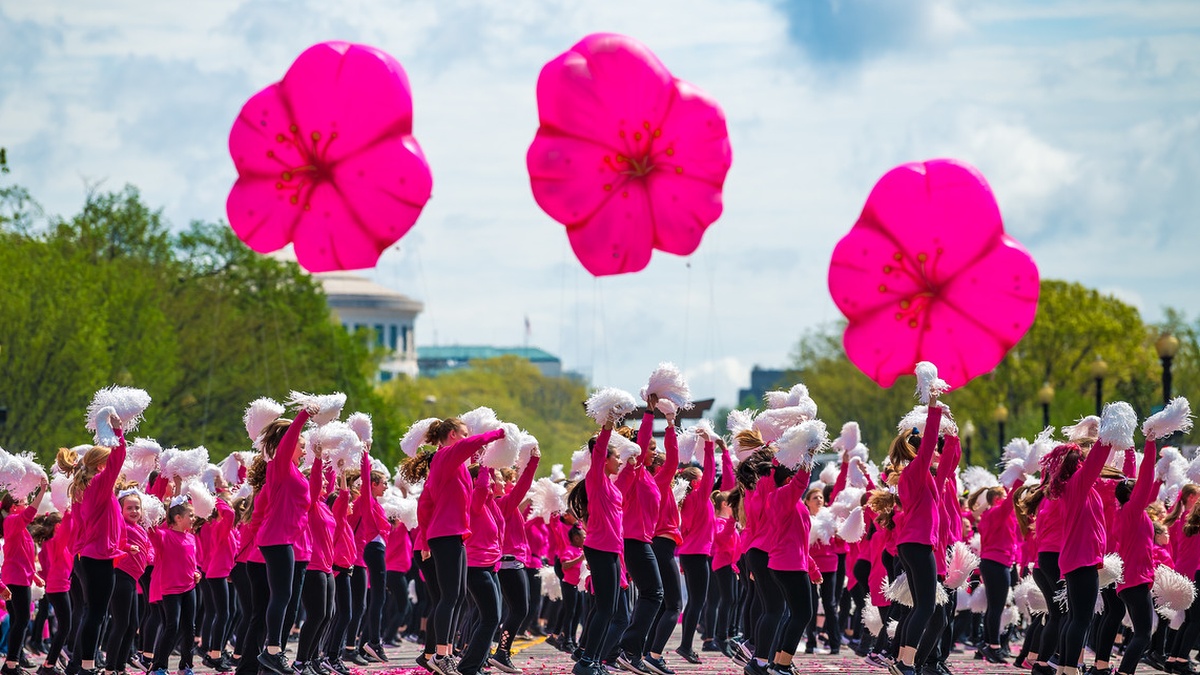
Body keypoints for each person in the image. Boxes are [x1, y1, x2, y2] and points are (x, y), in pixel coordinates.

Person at [398, 418, 506, 675]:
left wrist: (425, 537)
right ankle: (440, 654)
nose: (467, 438)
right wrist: (500, 433)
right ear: (452, 434)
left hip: (453, 536)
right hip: (445, 535)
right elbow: (471, 443)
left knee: (456, 597)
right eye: (464, 433)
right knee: (448, 597)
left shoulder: (451, 465)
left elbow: (425, 505)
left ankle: (442, 654)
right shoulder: (446, 455)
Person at [57, 410, 127, 675]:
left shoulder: (83, 489)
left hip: (90, 555)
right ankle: (86, 665)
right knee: (97, 614)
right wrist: (117, 431)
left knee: (93, 612)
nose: (112, 470)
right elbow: (119, 458)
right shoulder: (98, 484)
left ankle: (82, 663)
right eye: (107, 464)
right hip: (97, 557)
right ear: (101, 466)